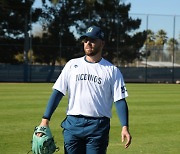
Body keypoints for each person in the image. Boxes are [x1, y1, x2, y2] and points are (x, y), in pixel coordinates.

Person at [38, 25, 132, 154]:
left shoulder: (112, 70)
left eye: (92, 40)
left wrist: (124, 126)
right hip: (72, 124)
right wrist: (45, 120)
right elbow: (58, 92)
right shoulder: (72, 65)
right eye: (86, 40)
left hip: (98, 127)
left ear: (102, 43)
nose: (88, 43)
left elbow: (120, 100)